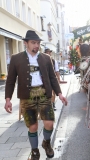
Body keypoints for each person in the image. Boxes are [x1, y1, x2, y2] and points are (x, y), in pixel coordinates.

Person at [4, 30, 68, 160]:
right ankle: (34, 151)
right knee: (33, 126)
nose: (36, 46)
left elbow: (52, 78)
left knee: (49, 123)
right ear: (25, 43)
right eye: (33, 43)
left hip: (44, 94)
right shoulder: (16, 59)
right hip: (27, 97)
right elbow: (10, 80)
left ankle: (46, 143)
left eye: (38, 43)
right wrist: (8, 99)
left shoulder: (46, 58)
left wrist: (60, 94)